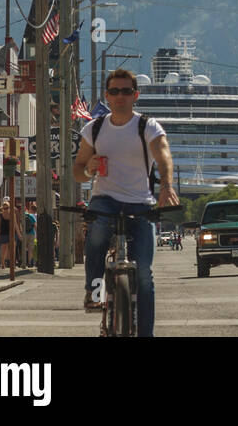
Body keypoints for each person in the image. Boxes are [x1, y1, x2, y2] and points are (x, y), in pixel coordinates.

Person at [73, 68, 178, 337]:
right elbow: (77, 169)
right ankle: (94, 290)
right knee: (96, 236)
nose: (120, 96)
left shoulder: (147, 127)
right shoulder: (94, 128)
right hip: (105, 200)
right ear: (107, 96)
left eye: (126, 91)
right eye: (115, 91)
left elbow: (163, 155)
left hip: (140, 203)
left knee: (144, 274)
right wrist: (89, 169)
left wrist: (166, 186)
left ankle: (146, 334)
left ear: (135, 95)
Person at [22, 202, 37, 268]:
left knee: (24, 248)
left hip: (24, 233)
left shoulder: (24, 215)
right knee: (31, 249)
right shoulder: (33, 216)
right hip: (32, 233)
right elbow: (35, 226)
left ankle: (23, 262)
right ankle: (30, 262)